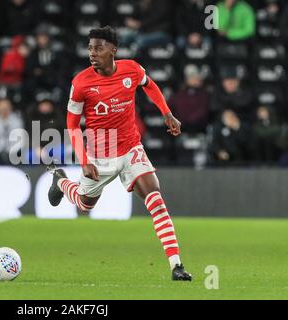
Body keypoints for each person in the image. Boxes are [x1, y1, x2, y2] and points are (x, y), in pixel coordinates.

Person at [47, 26, 191, 281]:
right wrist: (84, 161)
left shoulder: (131, 69)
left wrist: (166, 113)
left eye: (99, 48)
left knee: (155, 200)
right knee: (84, 204)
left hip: (131, 148)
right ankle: (60, 181)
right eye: (90, 48)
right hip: (99, 155)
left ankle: (176, 265)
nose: (92, 53)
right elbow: (71, 125)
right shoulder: (81, 83)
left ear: (113, 50)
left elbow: (150, 85)